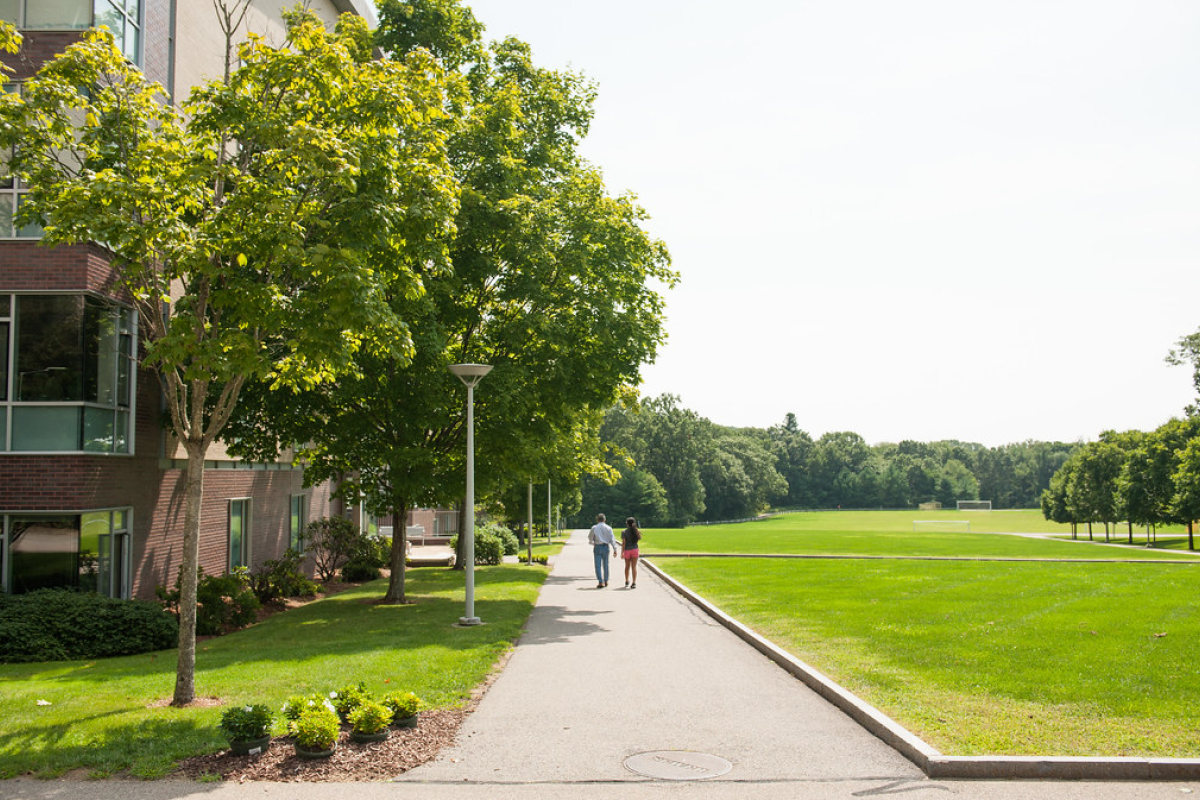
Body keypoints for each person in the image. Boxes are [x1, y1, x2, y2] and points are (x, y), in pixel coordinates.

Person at [588, 513, 617, 588]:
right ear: (605, 520)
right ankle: (606, 580)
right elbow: (612, 539)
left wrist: (592, 542)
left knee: (597, 565)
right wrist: (615, 549)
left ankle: (600, 581)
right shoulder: (608, 528)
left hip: (597, 546)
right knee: (606, 564)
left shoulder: (594, 527)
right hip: (605, 546)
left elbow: (590, 537)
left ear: (597, 520)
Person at [621, 517, 642, 588]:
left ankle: (627, 580)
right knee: (634, 567)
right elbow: (639, 538)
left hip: (627, 550)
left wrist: (622, 552)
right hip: (635, 550)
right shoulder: (636, 531)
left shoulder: (624, 532)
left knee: (627, 566)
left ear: (627, 524)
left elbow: (624, 543)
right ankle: (634, 582)